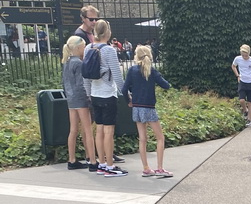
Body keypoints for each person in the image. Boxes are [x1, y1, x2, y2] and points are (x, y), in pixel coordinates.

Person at [82, 19, 127, 176]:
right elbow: (117, 75)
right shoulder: (109, 50)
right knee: (109, 131)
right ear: (108, 32)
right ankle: (110, 166)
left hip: (95, 94)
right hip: (108, 94)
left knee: (99, 130)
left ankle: (100, 163)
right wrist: (126, 95)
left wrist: (89, 93)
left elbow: (85, 76)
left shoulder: (88, 48)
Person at [122, 44, 173, 177]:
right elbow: (166, 85)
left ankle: (146, 168)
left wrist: (129, 102)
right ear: (149, 55)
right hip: (149, 107)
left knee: (142, 139)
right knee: (160, 137)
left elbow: (124, 89)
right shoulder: (152, 70)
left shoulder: (132, 70)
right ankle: (160, 168)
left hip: (137, 107)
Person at [61, 35, 97, 171]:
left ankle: (72, 159)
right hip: (81, 99)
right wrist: (89, 98)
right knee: (87, 130)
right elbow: (82, 84)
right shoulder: (79, 63)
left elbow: (65, 82)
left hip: (71, 99)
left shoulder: (66, 62)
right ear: (78, 48)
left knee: (73, 130)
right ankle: (92, 160)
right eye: (83, 46)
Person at [231, 44, 251, 126]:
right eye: (243, 55)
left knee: (250, 102)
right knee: (241, 100)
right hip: (242, 81)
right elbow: (233, 66)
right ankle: (245, 110)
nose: (244, 57)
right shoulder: (237, 59)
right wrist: (237, 75)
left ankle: (249, 120)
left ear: (249, 53)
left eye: (246, 55)